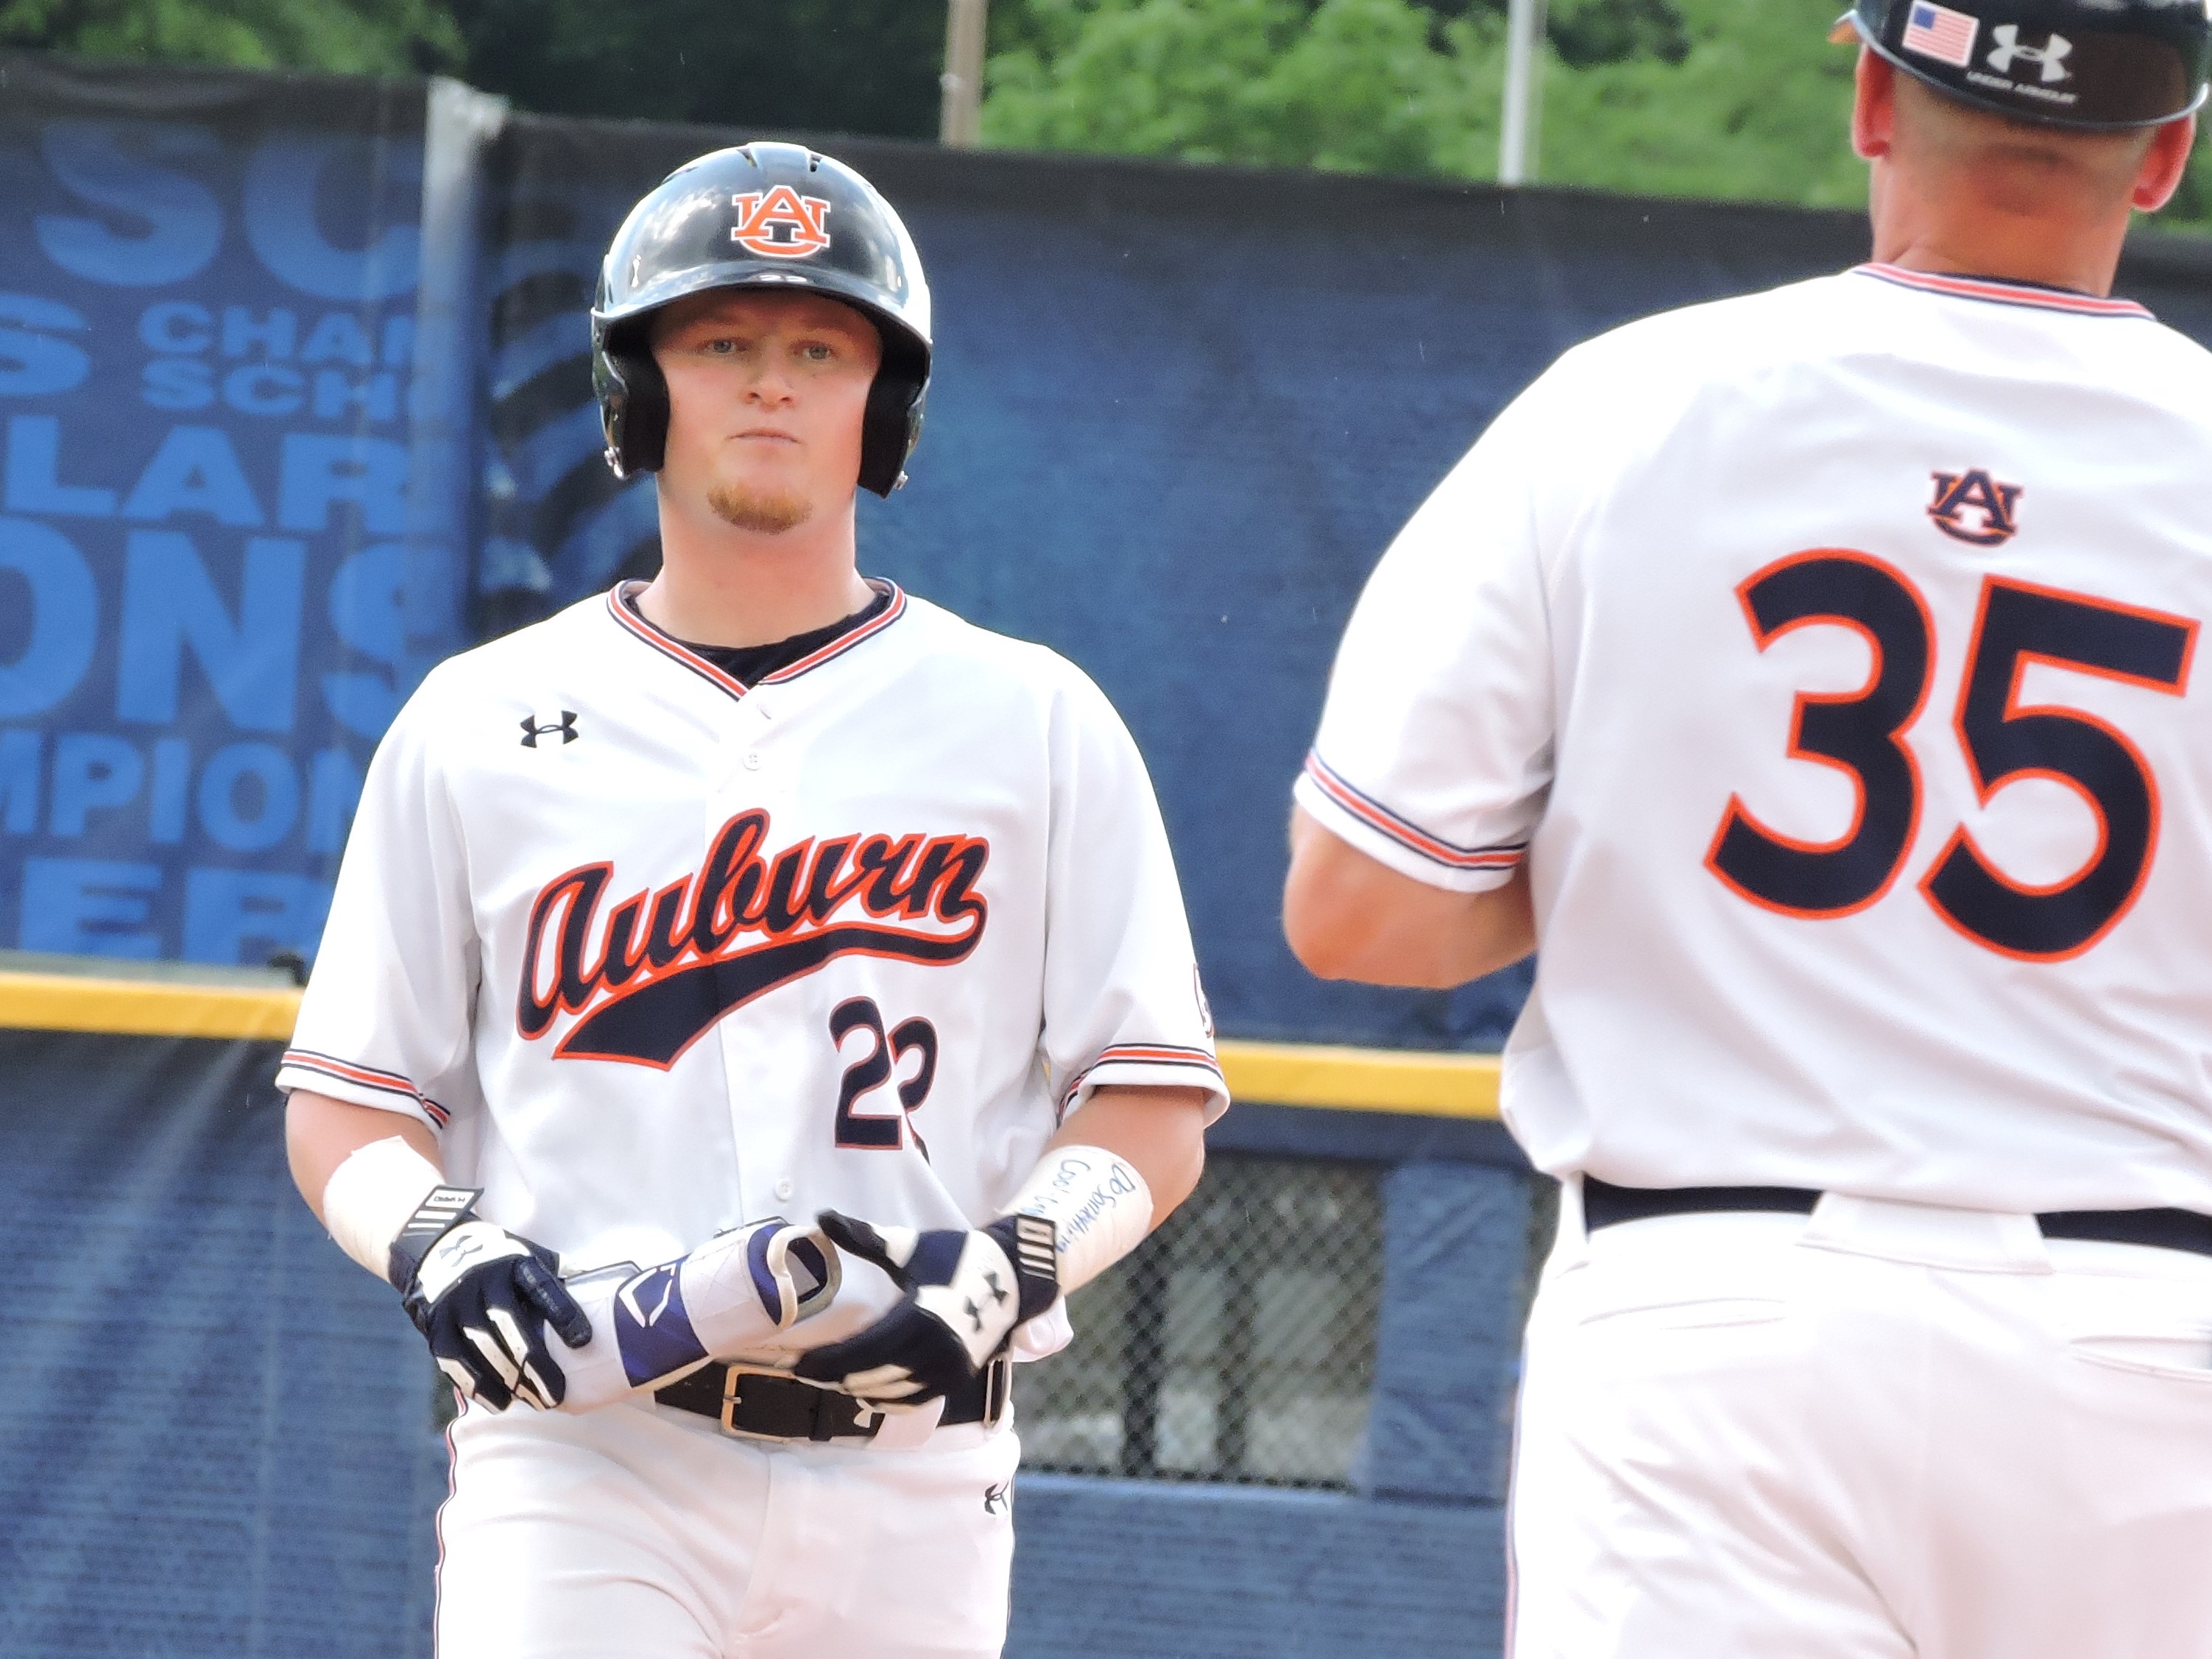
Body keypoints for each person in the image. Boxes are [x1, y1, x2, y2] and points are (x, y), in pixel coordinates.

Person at [1282, 1, 2212, 1652]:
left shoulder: (1626, 407)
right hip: (2154, 1347)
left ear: (1869, 93)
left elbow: (1361, 910)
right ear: (2164, 152)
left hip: (1712, 1322)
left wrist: (1645, 853)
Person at [280, 142, 1223, 1659]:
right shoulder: (479, 719)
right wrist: (437, 1240)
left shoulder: (1036, 720)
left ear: (883, 404)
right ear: (642, 393)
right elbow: (347, 1098)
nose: (770, 383)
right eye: (721, 342)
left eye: (820, 346)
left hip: (916, 1466)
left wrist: (1017, 1260)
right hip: (586, 1454)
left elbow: (1152, 1104)